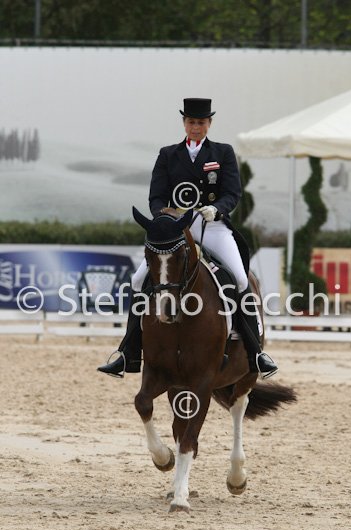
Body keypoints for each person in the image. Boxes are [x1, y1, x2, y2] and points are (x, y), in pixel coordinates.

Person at [98, 98, 278, 379]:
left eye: (201, 122)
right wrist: (165, 215)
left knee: (242, 280)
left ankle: (256, 353)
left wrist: (217, 209)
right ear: (184, 123)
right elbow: (156, 197)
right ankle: (127, 353)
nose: (196, 127)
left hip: (212, 226)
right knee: (137, 280)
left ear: (209, 123)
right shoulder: (168, 154)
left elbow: (233, 192)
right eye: (192, 122)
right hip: (176, 229)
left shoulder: (222, 152)